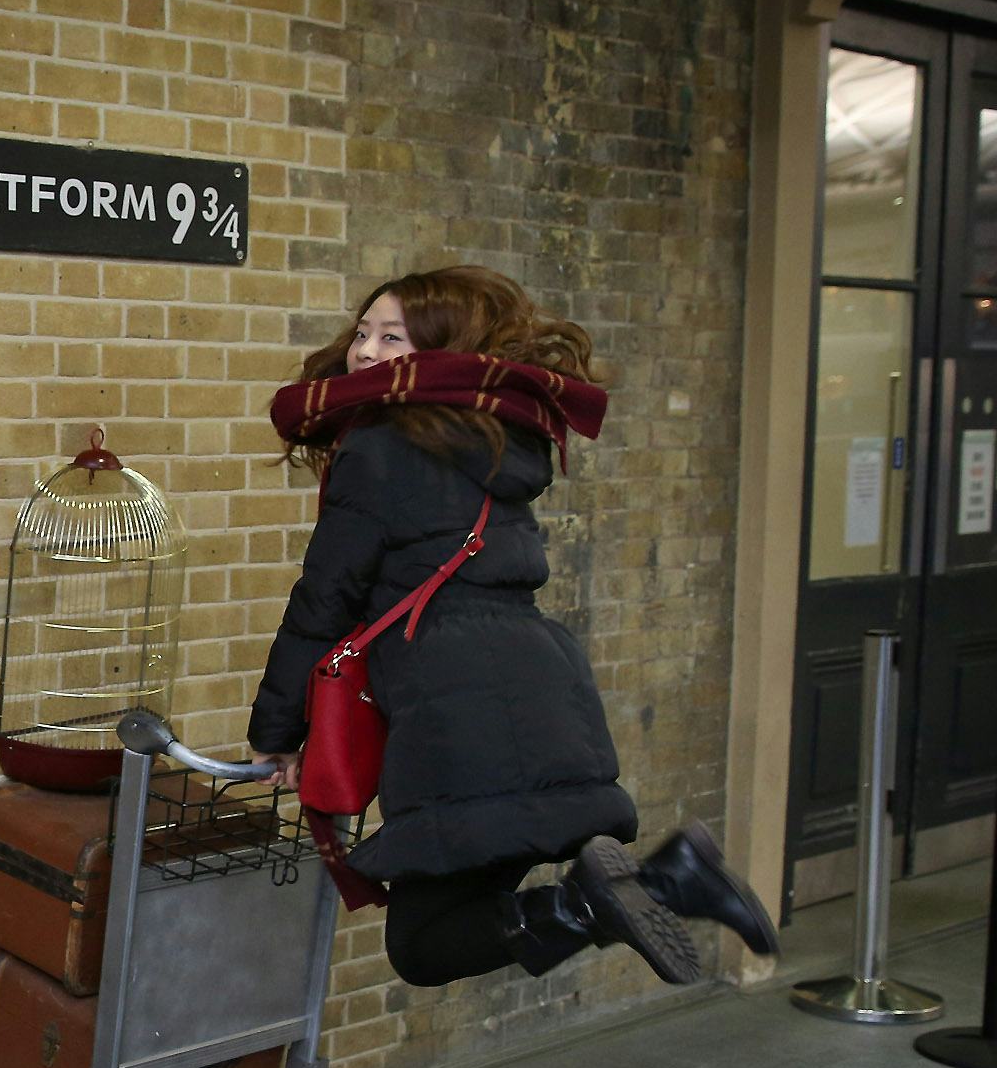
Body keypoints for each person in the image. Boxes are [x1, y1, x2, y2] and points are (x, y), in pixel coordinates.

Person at [246, 267, 775, 989]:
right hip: (540, 688)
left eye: (392, 338)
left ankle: (602, 900)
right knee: (447, 922)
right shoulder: (491, 442)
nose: (364, 352)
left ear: (442, 353)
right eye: (363, 332)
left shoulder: (380, 448)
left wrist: (276, 729)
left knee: (424, 945)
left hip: (458, 711)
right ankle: (669, 878)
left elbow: (324, 599)